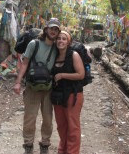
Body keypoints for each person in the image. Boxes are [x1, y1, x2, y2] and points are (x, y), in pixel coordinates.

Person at [13, 18, 61, 154]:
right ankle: (28, 145)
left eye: (56, 29)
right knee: (30, 118)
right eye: (51, 28)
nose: (53, 31)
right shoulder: (34, 44)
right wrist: (18, 82)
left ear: (58, 32)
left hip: (48, 89)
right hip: (31, 87)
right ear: (46, 29)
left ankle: (44, 145)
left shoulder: (57, 47)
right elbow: (25, 63)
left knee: (47, 119)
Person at [52, 31, 85, 154]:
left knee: (72, 126)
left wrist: (62, 75)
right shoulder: (54, 55)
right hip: (58, 96)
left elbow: (81, 75)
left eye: (64, 39)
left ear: (68, 42)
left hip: (73, 95)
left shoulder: (74, 55)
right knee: (61, 126)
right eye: (59, 38)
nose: (61, 41)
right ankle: (62, 150)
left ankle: (72, 152)